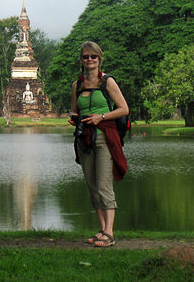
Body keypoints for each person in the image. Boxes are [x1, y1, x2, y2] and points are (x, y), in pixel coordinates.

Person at [69, 41, 129, 247]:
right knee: (92, 185)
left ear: (99, 59)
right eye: (86, 57)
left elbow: (124, 109)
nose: (90, 60)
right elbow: (75, 111)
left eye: (93, 57)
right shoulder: (77, 86)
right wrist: (74, 119)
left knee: (104, 184)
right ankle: (102, 229)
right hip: (84, 138)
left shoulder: (108, 82)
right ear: (81, 60)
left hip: (104, 136)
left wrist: (101, 117)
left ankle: (110, 233)